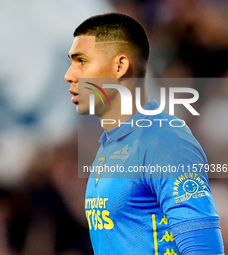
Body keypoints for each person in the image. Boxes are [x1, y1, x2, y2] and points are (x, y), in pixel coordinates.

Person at [64, 13, 225, 254]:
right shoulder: (110, 144)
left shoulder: (165, 143)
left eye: (82, 61)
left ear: (120, 66)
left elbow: (204, 250)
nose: (69, 75)